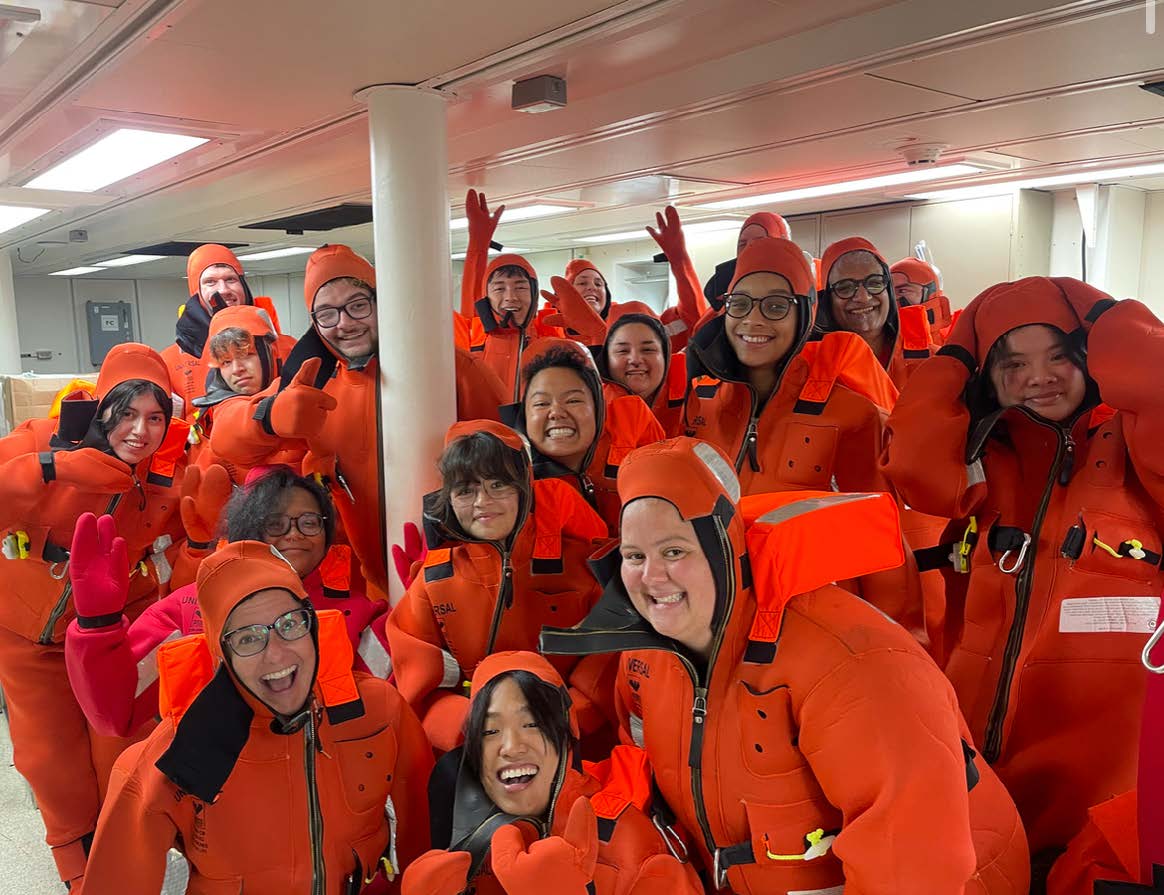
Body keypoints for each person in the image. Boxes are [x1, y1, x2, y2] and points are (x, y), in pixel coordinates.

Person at [541, 437, 1030, 895]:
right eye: (634, 555)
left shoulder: (851, 662)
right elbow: (640, 765)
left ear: (725, 548)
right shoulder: (646, 658)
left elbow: (916, 866)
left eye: (674, 551)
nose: (651, 575)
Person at [881, 277, 1164, 868]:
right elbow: (913, 466)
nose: (1040, 377)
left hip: (1108, 789)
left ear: (1090, 356)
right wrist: (956, 353)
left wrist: (1109, 315)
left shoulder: (1137, 447)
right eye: (1013, 364)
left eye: (1059, 355)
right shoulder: (986, 456)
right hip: (990, 769)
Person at [81, 540, 433, 895]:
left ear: (312, 624)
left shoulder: (378, 711)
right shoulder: (177, 758)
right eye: (248, 638)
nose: (277, 654)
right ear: (220, 655)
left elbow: (426, 844)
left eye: (290, 623)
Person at [0, 343, 193, 889]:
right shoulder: (40, 440)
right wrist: (50, 468)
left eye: (154, 417)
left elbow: (185, 550)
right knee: (50, 762)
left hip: (113, 636)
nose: (139, 430)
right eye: (125, 412)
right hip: (25, 634)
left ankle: (124, 856)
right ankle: (78, 869)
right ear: (101, 406)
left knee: (124, 754)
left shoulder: (172, 474)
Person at [680, 236, 925, 637]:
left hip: (816, 628)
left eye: (776, 306)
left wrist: (903, 639)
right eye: (740, 304)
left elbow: (881, 545)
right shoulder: (701, 403)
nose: (753, 320)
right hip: (719, 621)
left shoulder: (851, 413)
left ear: (806, 312)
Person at [66, 464, 393, 738]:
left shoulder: (360, 613)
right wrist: (98, 624)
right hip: (215, 787)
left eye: (309, 522)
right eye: (275, 523)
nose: (294, 534)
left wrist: (417, 608)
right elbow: (117, 714)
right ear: (247, 529)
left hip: (324, 784)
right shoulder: (187, 610)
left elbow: (388, 705)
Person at [386, 420, 610, 753]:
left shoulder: (583, 567)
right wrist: (476, 731)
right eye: (466, 490)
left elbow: (606, 663)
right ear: (449, 500)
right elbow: (421, 689)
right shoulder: (433, 581)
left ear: (524, 490)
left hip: (574, 746)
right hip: (475, 752)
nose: (482, 501)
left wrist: (559, 723)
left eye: (498, 485)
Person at [402, 651, 704, 895]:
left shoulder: (629, 847)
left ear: (567, 735)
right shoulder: (459, 836)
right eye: (490, 730)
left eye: (531, 724)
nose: (511, 747)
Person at [211, 244, 395, 600]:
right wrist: (268, 417)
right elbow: (225, 436)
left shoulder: (447, 368)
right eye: (327, 313)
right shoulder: (313, 382)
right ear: (315, 322)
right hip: (361, 583)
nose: (345, 323)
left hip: (442, 569)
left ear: (379, 303)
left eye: (358, 305)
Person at [507, 336, 665, 533]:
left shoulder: (633, 423)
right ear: (524, 417)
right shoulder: (511, 482)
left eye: (573, 401)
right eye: (541, 403)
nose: (556, 412)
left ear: (598, 407)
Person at [160, 243, 295, 416]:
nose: (223, 290)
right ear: (196, 293)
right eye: (210, 282)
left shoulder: (288, 348)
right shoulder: (170, 362)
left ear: (244, 286)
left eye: (231, 279)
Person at [189, 303, 302, 483]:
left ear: (271, 353)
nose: (237, 369)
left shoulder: (306, 390)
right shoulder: (215, 416)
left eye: (246, 355)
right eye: (226, 362)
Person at [818, 237, 937, 389]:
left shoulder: (937, 362)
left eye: (874, 283)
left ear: (888, 291)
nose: (863, 297)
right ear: (826, 301)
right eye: (845, 288)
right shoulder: (807, 370)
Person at [599, 313, 688, 436]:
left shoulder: (695, 393)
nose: (635, 360)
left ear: (666, 358)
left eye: (648, 350)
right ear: (606, 362)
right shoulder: (591, 409)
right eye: (622, 351)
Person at [701, 210, 792, 305]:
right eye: (743, 244)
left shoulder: (796, 289)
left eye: (759, 242)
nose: (748, 249)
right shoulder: (719, 290)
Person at [892, 256, 957, 344]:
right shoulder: (880, 342)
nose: (892, 299)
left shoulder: (961, 336)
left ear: (930, 294)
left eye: (902, 291)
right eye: (890, 292)